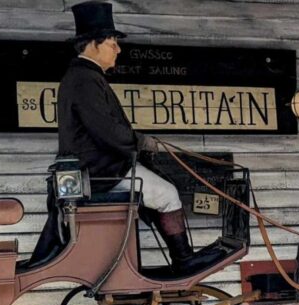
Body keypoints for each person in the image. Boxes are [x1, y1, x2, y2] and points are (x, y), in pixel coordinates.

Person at [55, 0, 198, 273]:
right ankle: (184, 260)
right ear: (94, 45)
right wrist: (140, 141)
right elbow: (106, 131)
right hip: (100, 172)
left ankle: (181, 259)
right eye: (112, 43)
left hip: (96, 170)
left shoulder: (82, 77)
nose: (118, 50)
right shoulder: (85, 79)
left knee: (156, 193)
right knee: (168, 194)